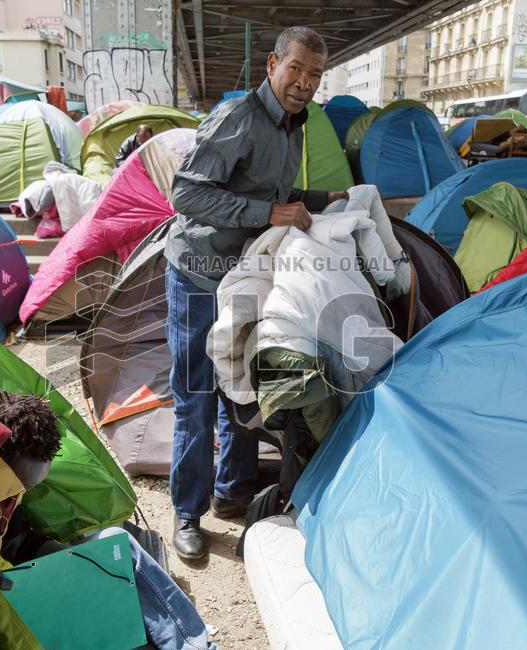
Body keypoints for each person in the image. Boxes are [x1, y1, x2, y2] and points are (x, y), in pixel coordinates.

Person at [164, 26, 348, 560]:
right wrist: (268, 214)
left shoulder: (295, 125)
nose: (304, 82)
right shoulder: (238, 118)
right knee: (196, 397)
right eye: (296, 69)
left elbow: (267, 188)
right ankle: (186, 514)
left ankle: (231, 492)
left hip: (240, 277)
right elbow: (187, 193)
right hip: (198, 273)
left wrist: (322, 197)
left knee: (241, 385)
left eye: (315, 74)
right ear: (273, 65)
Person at [0, 390, 218, 650]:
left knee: (115, 542)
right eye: (17, 486)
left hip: (31, 583)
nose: (18, 495)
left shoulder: (8, 493)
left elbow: (20, 544)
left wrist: (73, 560)